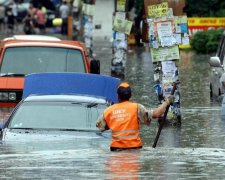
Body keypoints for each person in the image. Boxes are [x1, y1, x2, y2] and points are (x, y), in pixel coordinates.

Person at [96, 82, 174, 151]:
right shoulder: (137, 108)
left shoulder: (109, 111)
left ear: (118, 96)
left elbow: (99, 126)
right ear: (130, 95)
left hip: (116, 150)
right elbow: (156, 114)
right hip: (135, 150)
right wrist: (167, 102)